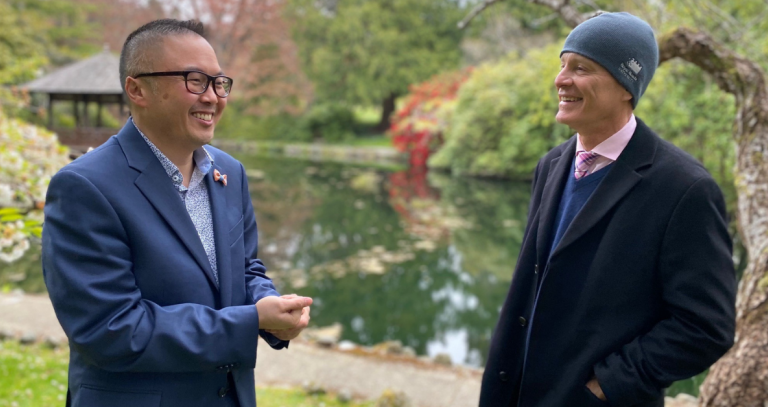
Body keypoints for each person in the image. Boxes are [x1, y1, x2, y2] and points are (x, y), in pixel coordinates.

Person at [42, 19, 311, 407]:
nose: (213, 97)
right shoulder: (84, 187)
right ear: (137, 89)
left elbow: (245, 266)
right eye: (194, 80)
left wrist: (274, 312)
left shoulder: (229, 172)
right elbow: (113, 331)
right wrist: (251, 320)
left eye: (219, 83)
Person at [479, 12, 736, 407]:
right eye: (562, 65)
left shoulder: (685, 189)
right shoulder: (551, 164)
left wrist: (608, 385)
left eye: (581, 68)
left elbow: (706, 327)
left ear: (626, 85)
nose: (561, 79)